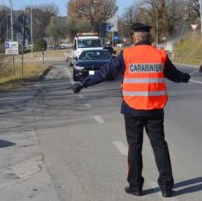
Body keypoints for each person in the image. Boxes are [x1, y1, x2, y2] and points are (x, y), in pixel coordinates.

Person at [72, 23, 190, 198]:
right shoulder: (160, 55)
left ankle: (135, 186)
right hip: (155, 110)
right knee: (160, 146)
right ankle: (166, 187)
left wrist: (84, 83)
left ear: (135, 38)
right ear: (149, 38)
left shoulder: (126, 55)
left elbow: (105, 72)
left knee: (135, 147)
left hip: (133, 109)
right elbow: (175, 75)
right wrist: (187, 77)